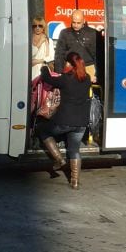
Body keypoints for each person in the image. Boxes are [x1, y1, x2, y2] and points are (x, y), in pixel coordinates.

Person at [38, 51, 92, 189]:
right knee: (74, 150)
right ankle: (74, 182)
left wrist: (45, 67)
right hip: (81, 123)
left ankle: (59, 159)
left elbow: (46, 78)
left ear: (69, 64)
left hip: (64, 121)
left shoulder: (65, 78)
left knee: (43, 131)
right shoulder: (87, 78)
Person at [54, 10, 97, 83]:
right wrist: (59, 73)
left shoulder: (93, 33)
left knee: (87, 93)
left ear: (84, 21)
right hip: (70, 69)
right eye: (74, 22)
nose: (76, 25)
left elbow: (98, 55)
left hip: (88, 68)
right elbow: (59, 54)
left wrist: (97, 74)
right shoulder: (65, 33)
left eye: (78, 23)